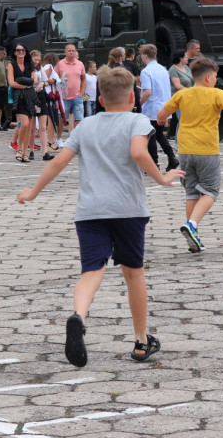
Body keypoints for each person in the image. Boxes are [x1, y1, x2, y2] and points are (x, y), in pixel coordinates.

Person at [18, 66, 183, 367]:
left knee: (91, 271)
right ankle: (142, 342)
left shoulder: (85, 126)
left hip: (90, 212)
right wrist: (161, 178)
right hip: (128, 210)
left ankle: (78, 316)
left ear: (101, 100)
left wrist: (33, 191)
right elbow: (137, 152)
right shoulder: (137, 120)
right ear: (133, 97)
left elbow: (58, 163)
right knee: (134, 273)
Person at [158, 56, 223, 253]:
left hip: (185, 151)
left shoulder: (183, 94)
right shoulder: (216, 94)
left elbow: (162, 114)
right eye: (215, 76)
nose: (216, 80)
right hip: (206, 150)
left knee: (191, 192)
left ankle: (193, 234)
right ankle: (192, 225)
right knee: (211, 191)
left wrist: (162, 120)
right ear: (208, 78)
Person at [139, 44, 180, 171]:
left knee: (151, 135)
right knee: (159, 135)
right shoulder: (163, 69)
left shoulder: (146, 71)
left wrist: (138, 104)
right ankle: (172, 157)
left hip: (151, 107)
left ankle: (154, 163)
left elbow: (147, 92)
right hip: (164, 106)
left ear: (145, 56)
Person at [7, 45, 37, 160]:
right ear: (14, 52)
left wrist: (23, 82)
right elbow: (11, 83)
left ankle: (25, 153)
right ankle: (19, 149)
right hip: (18, 96)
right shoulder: (11, 65)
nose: (20, 52)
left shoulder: (29, 65)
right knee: (24, 124)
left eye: (23, 50)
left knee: (29, 126)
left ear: (25, 52)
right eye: (18, 50)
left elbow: (35, 80)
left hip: (30, 96)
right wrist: (26, 85)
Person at [55, 43, 86, 134]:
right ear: (65, 52)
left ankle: (77, 139)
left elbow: (83, 80)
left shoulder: (80, 64)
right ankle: (59, 138)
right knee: (61, 119)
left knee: (79, 119)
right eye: (69, 50)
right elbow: (54, 78)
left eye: (73, 50)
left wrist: (81, 93)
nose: (71, 52)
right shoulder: (60, 64)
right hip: (64, 98)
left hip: (77, 97)